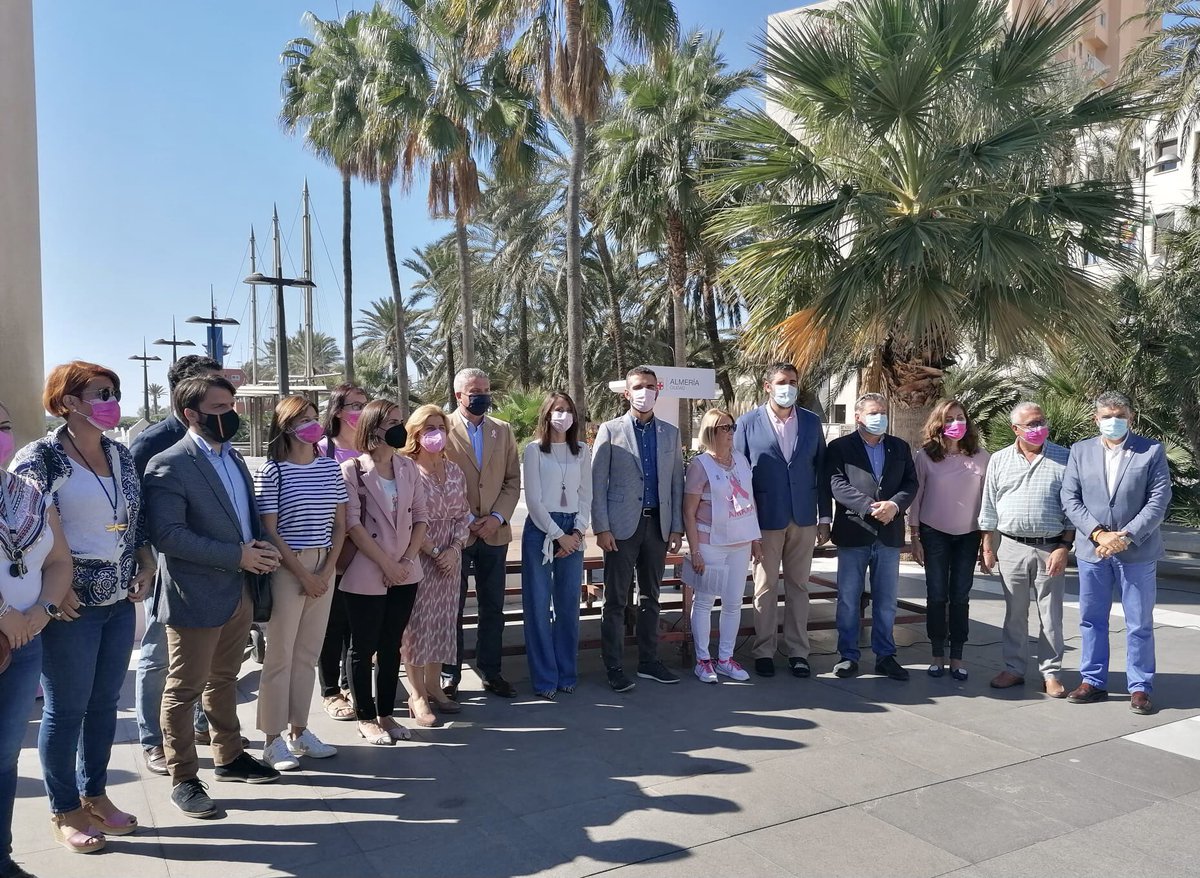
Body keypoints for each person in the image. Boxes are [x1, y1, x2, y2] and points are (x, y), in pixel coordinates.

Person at [12, 362, 155, 851]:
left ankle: (95, 794)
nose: (111, 399)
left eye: (114, 392)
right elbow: (26, 530)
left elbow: (131, 518)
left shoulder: (118, 453)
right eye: (101, 392)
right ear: (68, 401)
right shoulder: (40, 459)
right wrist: (59, 587)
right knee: (65, 710)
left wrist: (144, 560)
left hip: (121, 599)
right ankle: (64, 806)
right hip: (69, 604)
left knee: (103, 706)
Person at [143, 374, 283, 819]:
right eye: (220, 409)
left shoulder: (234, 458)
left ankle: (229, 756)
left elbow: (244, 518)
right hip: (194, 596)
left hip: (238, 591)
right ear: (191, 414)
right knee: (183, 688)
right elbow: (169, 537)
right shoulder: (168, 463)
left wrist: (260, 548)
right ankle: (184, 776)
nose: (231, 416)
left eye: (232, 407)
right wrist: (237, 555)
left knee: (223, 679)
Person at [129, 353, 221, 776]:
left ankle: (197, 723)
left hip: (212, 560)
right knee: (157, 651)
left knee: (205, 649)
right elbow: (135, 513)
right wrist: (145, 561)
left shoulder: (216, 435)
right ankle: (154, 739)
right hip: (165, 560)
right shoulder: (151, 442)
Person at [1061, 392, 1171, 715]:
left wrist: (1125, 537)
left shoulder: (1151, 451)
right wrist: (1099, 533)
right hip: (1092, 550)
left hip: (1136, 551)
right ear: (1096, 419)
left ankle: (1139, 687)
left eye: (1119, 414)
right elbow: (1070, 497)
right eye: (1106, 416)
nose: (1113, 421)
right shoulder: (1080, 451)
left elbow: (1158, 499)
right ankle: (1092, 680)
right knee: (1091, 618)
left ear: (1131, 417)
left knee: (1139, 622)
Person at [254, 396, 347, 770]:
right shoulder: (272, 471)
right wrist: (303, 573)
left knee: (307, 655)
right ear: (287, 427)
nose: (312, 425)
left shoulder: (328, 468)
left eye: (314, 417)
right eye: (303, 419)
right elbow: (270, 529)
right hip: (286, 569)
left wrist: (325, 571)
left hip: (324, 564)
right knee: (279, 655)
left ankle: (300, 730)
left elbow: (340, 524)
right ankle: (272, 739)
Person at [1, 399, 74, 874]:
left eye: (3, 426)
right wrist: (4, 613)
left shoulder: (30, 493)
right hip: (10, 627)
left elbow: (58, 561)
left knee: (5, 758)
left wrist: (42, 612)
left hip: (25, 641)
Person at [592, 365, 685, 692]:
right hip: (621, 528)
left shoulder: (671, 433)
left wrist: (677, 528)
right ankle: (614, 666)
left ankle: (649, 661)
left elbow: (677, 483)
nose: (644, 392)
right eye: (637, 387)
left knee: (651, 597)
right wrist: (601, 527)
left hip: (657, 527)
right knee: (616, 600)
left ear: (657, 389)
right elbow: (596, 483)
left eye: (649, 386)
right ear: (627, 392)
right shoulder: (610, 429)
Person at [734, 363, 830, 679]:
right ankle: (763, 650)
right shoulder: (747, 424)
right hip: (764, 520)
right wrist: (746, 526)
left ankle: (798, 651)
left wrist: (824, 517)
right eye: (781, 382)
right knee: (764, 587)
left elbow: (822, 471)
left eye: (792, 381)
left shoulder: (813, 422)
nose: (787, 387)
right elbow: (738, 478)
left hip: (803, 518)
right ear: (767, 386)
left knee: (798, 586)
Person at [339, 400, 427, 743]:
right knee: (363, 647)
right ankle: (365, 716)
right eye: (391, 421)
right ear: (373, 426)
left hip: (406, 571)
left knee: (392, 645)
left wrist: (404, 561)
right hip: (367, 569)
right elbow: (354, 525)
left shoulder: (408, 468)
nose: (399, 427)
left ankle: (386, 713)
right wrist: (386, 563)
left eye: (400, 420)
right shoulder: (352, 470)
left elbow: (421, 517)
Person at [978, 402, 1073, 697]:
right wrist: (987, 545)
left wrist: (1064, 547)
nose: (1037, 428)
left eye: (1040, 421)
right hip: (1011, 547)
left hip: (1050, 548)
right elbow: (989, 504)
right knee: (1015, 614)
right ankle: (1014, 668)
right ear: (1015, 429)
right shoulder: (999, 459)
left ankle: (1051, 673)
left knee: (1051, 615)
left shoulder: (1065, 457)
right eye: (1030, 424)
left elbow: (1072, 507)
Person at [824, 393, 918, 681]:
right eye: (874, 413)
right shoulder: (840, 447)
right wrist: (868, 507)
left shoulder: (899, 447)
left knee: (886, 600)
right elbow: (835, 483)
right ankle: (847, 656)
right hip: (855, 532)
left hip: (888, 534)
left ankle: (885, 656)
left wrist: (894, 505)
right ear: (858, 417)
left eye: (883, 412)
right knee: (849, 599)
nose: (880, 418)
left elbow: (911, 482)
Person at [442, 368, 521, 699]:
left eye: (487, 390)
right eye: (476, 390)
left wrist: (497, 517)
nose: (483, 396)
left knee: (493, 607)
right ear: (460, 395)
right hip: (455, 536)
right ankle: (450, 674)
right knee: (452, 608)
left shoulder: (501, 431)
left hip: (493, 534)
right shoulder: (441, 429)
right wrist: (466, 518)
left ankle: (492, 671)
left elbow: (511, 481)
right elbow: (433, 477)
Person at [908, 399, 990, 681]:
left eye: (961, 417)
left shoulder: (981, 456)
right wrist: (915, 534)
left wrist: (987, 539)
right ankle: (936, 655)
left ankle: (957, 657)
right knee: (937, 594)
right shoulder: (925, 456)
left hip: (968, 535)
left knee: (960, 595)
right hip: (934, 533)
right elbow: (916, 497)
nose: (956, 423)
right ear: (939, 424)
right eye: (950, 418)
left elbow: (987, 499)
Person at [520, 392, 591, 699]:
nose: (563, 415)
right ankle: (544, 678)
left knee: (567, 606)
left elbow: (586, 494)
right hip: (541, 530)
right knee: (538, 606)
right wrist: (556, 535)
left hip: (572, 529)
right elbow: (534, 501)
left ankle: (566, 672)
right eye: (557, 410)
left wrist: (576, 532)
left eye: (568, 410)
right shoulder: (534, 451)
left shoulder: (582, 451)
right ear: (546, 415)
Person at [684, 409, 762, 684]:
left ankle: (726, 658)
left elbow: (750, 501)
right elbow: (689, 512)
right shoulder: (699, 465)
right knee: (704, 602)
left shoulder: (741, 460)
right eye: (724, 428)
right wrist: (694, 550)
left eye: (732, 428)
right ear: (710, 432)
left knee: (732, 604)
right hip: (710, 543)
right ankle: (703, 660)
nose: (730, 433)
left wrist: (756, 539)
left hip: (740, 543)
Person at [402, 405, 468, 718]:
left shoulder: (454, 469)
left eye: (440, 427)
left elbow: (462, 514)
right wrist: (435, 552)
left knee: (443, 623)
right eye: (429, 427)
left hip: (451, 560)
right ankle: (416, 695)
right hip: (420, 557)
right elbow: (408, 518)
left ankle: (434, 685)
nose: (436, 433)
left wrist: (455, 549)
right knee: (417, 626)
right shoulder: (407, 469)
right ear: (415, 432)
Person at [316, 383, 369, 723]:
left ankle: (352, 685)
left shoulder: (369, 449)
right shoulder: (323, 449)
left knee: (358, 623)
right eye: (355, 405)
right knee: (332, 625)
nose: (361, 411)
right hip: (335, 550)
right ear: (337, 411)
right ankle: (331, 690)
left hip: (369, 550)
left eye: (365, 404)